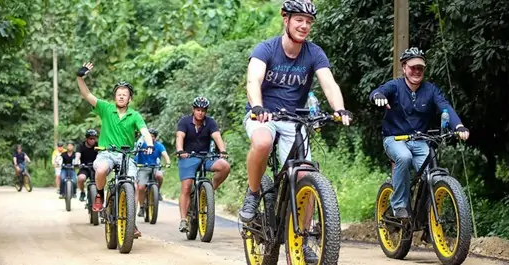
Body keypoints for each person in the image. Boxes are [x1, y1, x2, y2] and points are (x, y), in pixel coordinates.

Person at [239, 0, 353, 224]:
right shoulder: (266, 49)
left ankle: (304, 238)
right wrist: (258, 107)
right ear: (286, 20)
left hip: (295, 119)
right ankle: (253, 193)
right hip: (264, 115)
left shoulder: (314, 53)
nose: (304, 25)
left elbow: (329, 84)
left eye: (308, 21)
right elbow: (253, 80)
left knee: (305, 176)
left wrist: (339, 109)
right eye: (299, 20)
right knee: (262, 142)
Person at [369, 46, 470, 218]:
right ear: (404, 67)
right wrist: (378, 96)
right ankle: (399, 205)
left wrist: (459, 126)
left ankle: (427, 216)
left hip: (420, 140)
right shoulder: (395, 86)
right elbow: (377, 92)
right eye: (413, 67)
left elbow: (445, 107)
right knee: (404, 157)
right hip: (395, 138)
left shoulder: (431, 90)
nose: (417, 71)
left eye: (420, 68)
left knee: (432, 174)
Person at [77, 62, 154, 239]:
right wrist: (80, 77)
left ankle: (131, 223)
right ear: (115, 97)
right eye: (119, 94)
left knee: (133, 186)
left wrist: (149, 145)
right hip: (107, 152)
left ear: (130, 99)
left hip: (127, 155)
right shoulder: (105, 108)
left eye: (124, 95)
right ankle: (99, 195)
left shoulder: (134, 115)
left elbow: (144, 132)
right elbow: (86, 94)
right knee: (101, 169)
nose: (121, 97)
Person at [175, 96, 231, 232]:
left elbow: (217, 136)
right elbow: (179, 137)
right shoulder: (184, 121)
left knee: (225, 166)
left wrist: (222, 151)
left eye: (203, 110)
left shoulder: (210, 122)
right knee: (187, 187)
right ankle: (183, 220)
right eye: (198, 110)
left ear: (206, 111)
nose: (200, 113)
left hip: (205, 157)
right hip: (188, 156)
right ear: (193, 110)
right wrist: (180, 150)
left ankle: (208, 191)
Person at [134, 128, 171, 218]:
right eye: (149, 136)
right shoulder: (141, 144)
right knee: (141, 187)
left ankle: (157, 192)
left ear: (155, 138)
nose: (151, 138)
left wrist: (168, 162)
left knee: (159, 176)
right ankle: (142, 207)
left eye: (153, 136)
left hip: (155, 167)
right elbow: (135, 153)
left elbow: (165, 154)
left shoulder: (159, 146)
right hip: (143, 167)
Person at [76, 129, 99, 202]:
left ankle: (99, 196)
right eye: (91, 138)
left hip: (95, 167)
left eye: (94, 138)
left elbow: (102, 154)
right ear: (87, 139)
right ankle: (82, 192)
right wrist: (76, 162)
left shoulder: (97, 145)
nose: (93, 140)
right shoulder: (80, 146)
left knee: (100, 180)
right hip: (84, 167)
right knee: (81, 178)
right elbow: (77, 155)